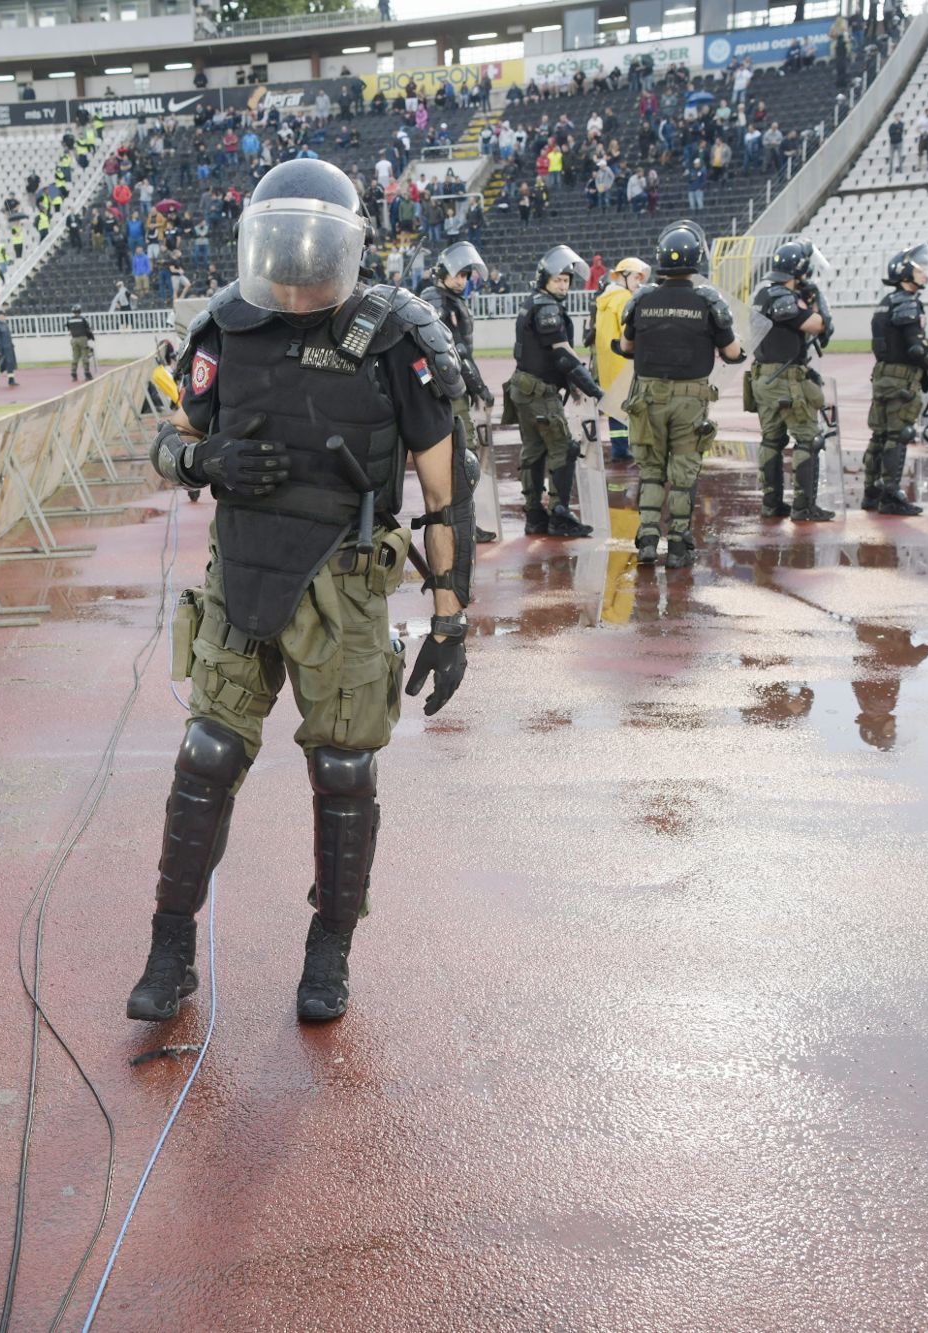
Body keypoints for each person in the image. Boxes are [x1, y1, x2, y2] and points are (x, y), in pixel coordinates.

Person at [129, 157, 471, 1025]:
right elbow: (169, 442)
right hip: (241, 568)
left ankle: (330, 949)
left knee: (345, 770)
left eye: (313, 248)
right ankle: (170, 948)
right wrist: (206, 459)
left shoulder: (399, 337)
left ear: (346, 247)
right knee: (206, 755)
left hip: (347, 584)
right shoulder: (224, 326)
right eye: (280, 246)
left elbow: (446, 492)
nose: (296, 265)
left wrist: (451, 618)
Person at [619, 221, 743, 569]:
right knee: (684, 472)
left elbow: (626, 346)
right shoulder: (708, 301)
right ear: (697, 259)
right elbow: (733, 353)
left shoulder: (642, 298)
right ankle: (677, 545)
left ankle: (646, 540)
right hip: (689, 400)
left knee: (651, 469)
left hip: (646, 398)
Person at [507, 245, 605, 539]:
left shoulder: (533, 302)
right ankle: (559, 514)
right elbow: (562, 354)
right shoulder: (548, 307)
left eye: (566, 280)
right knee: (564, 449)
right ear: (545, 281)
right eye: (557, 281)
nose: (563, 285)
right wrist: (591, 387)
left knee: (534, 452)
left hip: (524, 387)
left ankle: (535, 515)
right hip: (539, 392)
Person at [864, 245, 928, 517]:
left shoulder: (887, 300)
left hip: (883, 374)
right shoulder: (907, 301)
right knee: (899, 434)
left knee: (880, 434)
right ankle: (891, 495)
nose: (925, 274)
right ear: (905, 272)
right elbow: (917, 348)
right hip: (900, 378)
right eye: (919, 269)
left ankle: (871, 492)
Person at [747, 238, 836, 523]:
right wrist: (817, 299)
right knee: (808, 439)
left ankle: (772, 503)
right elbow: (817, 325)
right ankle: (804, 506)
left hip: (764, 377)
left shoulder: (763, 293)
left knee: (771, 440)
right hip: (785, 378)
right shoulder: (783, 298)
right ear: (798, 271)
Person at [418, 241, 499, 542]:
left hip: (453, 384)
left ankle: (463, 520)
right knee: (463, 455)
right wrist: (479, 386)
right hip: (446, 387)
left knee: (462, 455)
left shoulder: (448, 299)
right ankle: (460, 522)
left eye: (466, 275)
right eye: (458, 275)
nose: (462, 280)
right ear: (442, 273)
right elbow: (455, 350)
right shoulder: (436, 300)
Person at [592, 256, 650, 463]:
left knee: (615, 412)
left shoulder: (604, 299)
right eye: (636, 277)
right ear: (623, 276)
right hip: (624, 363)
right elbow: (629, 334)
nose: (639, 283)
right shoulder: (624, 299)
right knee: (633, 409)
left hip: (607, 365)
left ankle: (619, 450)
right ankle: (630, 449)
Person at [66, 305, 96, 381]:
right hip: (82, 339)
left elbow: (69, 329)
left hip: (74, 339)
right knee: (85, 355)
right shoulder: (83, 319)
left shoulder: (69, 320)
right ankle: (87, 373)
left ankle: (73, 373)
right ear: (80, 311)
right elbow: (88, 329)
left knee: (75, 356)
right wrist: (91, 337)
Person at [0, 312, 18, 387]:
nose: (3, 318)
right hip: (3, 348)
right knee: (4, 365)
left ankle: (11, 380)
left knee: (10, 364)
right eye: (2, 316)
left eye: (4, 316)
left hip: (9, 347)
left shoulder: (4, 324)